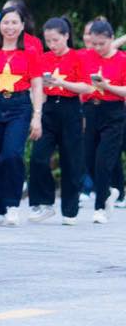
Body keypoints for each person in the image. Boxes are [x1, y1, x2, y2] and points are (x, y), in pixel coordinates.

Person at [27, 17, 91, 225]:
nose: (52, 45)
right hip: (48, 108)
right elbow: (34, 85)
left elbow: (87, 87)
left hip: (70, 108)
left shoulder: (77, 57)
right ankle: (44, 202)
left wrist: (62, 82)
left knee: (71, 160)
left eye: (56, 40)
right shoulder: (42, 58)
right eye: (48, 41)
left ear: (66, 36)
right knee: (38, 156)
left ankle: (70, 210)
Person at [0, 4, 42, 226]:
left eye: (14, 22)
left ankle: (12, 205)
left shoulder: (30, 51)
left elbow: (37, 85)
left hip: (19, 105)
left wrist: (37, 116)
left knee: (12, 154)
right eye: (5, 23)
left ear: (22, 26)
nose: (9, 27)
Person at [81, 18, 126, 222]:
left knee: (103, 161)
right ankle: (106, 192)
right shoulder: (87, 56)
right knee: (88, 158)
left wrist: (107, 86)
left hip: (113, 112)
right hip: (91, 111)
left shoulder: (122, 59)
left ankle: (100, 207)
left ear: (111, 39)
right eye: (94, 43)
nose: (98, 48)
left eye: (102, 43)